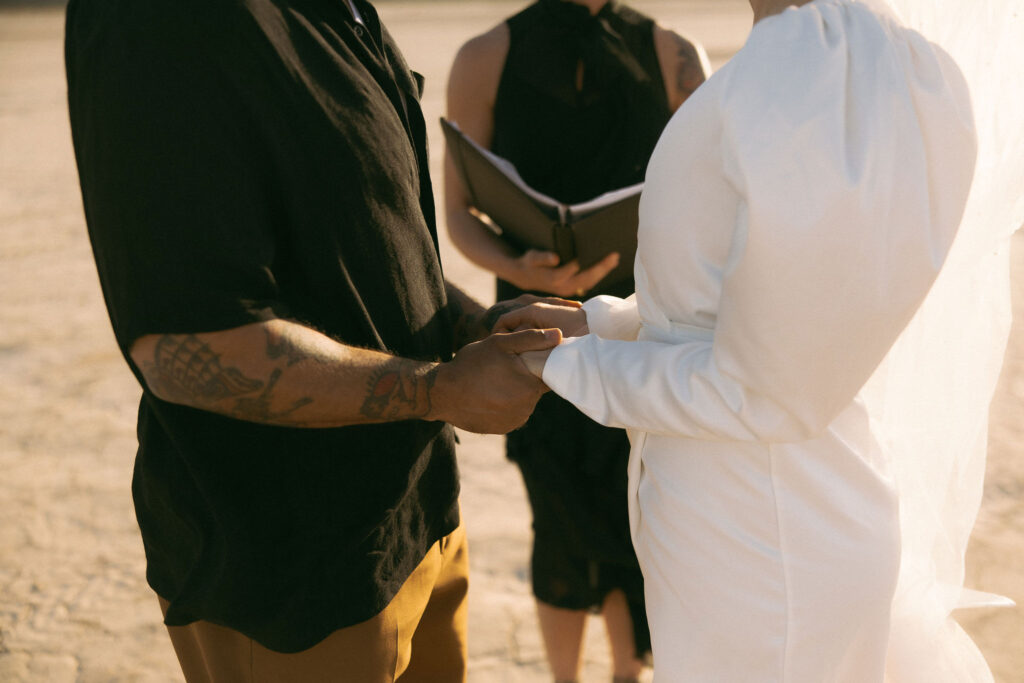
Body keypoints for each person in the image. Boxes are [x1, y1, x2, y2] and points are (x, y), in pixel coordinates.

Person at [497, 0, 1024, 679]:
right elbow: (757, 306)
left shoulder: (808, 74)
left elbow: (760, 391)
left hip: (763, 553)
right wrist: (600, 321)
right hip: (766, 527)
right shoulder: (868, 64)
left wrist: (570, 363)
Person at [64, 0, 568, 680]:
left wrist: (480, 325)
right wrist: (439, 388)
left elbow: (371, 248)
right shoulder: (157, 23)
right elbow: (187, 348)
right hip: (291, 583)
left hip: (418, 522)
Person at [444, 1, 707, 679]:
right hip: (535, 331)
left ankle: (627, 672)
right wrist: (517, 266)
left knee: (639, 511)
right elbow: (458, 216)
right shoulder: (485, 57)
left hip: (647, 331)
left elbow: (713, 205)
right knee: (556, 521)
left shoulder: (676, 56)